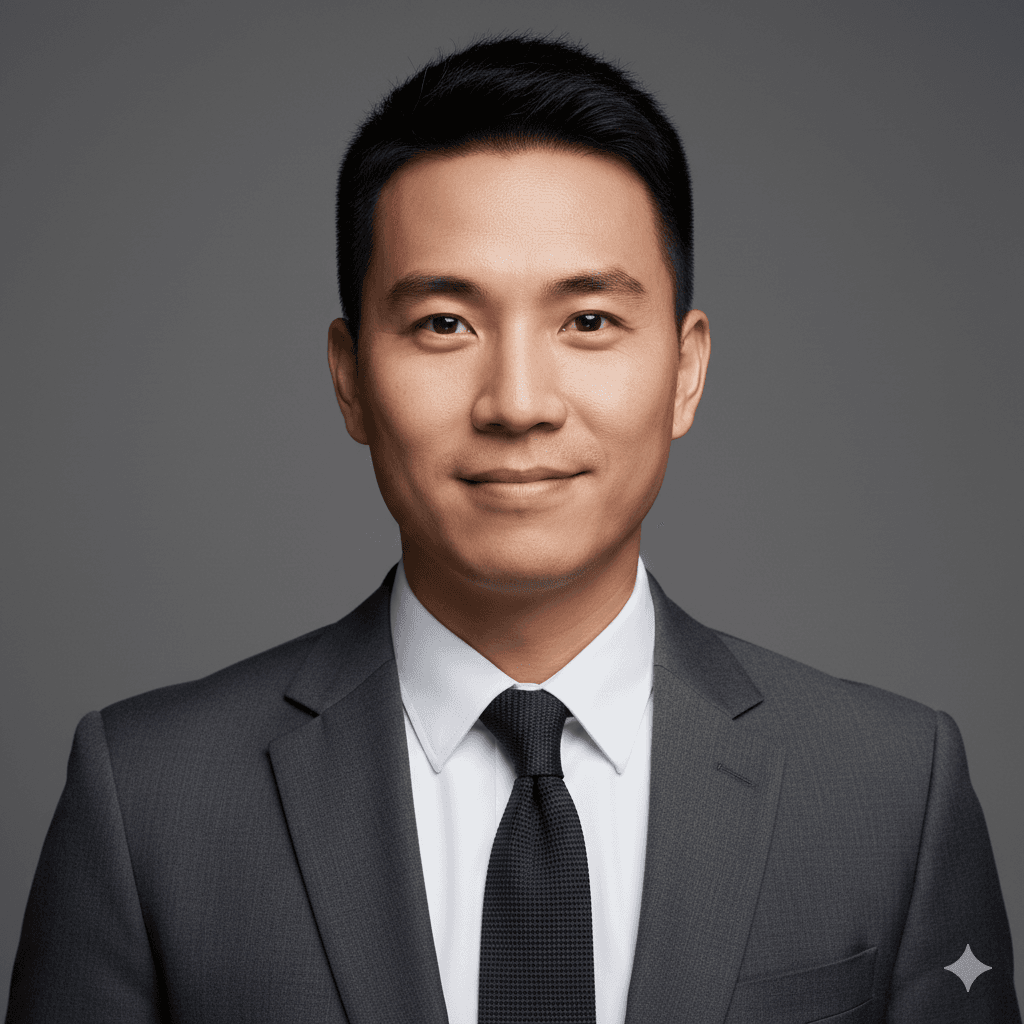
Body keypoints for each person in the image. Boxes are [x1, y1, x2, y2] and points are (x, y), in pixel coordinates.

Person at [6, 33, 1019, 1024]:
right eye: (445, 322)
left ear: (685, 369)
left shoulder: (889, 790)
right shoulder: (150, 798)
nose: (519, 402)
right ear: (350, 378)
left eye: (587, 321)